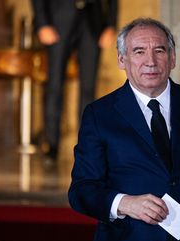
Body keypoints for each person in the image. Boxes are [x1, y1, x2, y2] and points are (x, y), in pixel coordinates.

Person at [68, 18, 180, 241]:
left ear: (172, 58)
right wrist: (124, 203)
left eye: (159, 51)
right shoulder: (99, 115)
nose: (151, 61)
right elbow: (81, 190)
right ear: (122, 59)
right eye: (139, 51)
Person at [31, 0, 118, 159]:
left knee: (88, 88)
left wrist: (111, 24)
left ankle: (87, 144)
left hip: (92, 20)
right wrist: (42, 23)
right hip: (58, 20)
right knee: (55, 85)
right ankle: (51, 144)